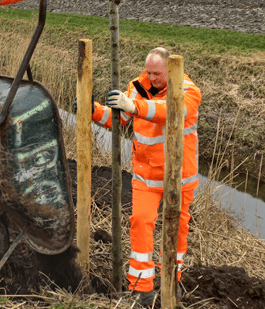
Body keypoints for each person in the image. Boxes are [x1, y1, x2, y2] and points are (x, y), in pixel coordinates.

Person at [76, 47, 201, 306]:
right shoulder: (137, 87)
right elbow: (118, 119)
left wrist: (134, 105)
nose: (152, 77)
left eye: (157, 73)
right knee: (140, 222)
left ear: (171, 69)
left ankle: (172, 281)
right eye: (149, 72)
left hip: (179, 179)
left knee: (177, 231)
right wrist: (93, 110)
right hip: (146, 177)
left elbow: (172, 110)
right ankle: (142, 288)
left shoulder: (190, 90)